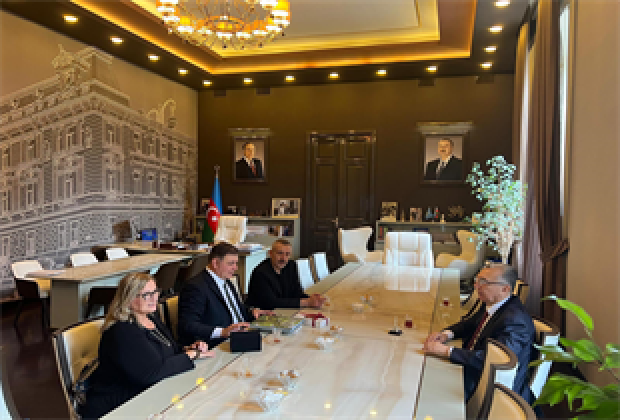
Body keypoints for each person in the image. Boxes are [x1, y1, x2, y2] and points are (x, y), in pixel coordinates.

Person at [80, 273, 212, 420]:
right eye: (146, 295)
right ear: (129, 299)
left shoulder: (150, 318)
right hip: (119, 406)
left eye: (155, 292)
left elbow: (170, 349)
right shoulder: (122, 330)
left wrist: (189, 349)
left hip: (150, 396)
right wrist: (190, 356)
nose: (154, 298)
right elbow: (152, 372)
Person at [423, 265, 535, 403]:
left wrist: (447, 351)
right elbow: (471, 324)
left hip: (490, 388)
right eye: (477, 281)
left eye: (483, 282)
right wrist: (447, 334)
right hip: (474, 368)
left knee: (428, 387)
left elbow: (496, 360)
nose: (476, 286)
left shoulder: (516, 321)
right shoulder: (494, 303)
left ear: (505, 289)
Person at [178, 242, 272, 348]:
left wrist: (252, 312)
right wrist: (223, 332)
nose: (235, 268)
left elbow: (234, 310)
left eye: (236, 263)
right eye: (231, 263)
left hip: (243, 335)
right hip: (219, 344)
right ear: (215, 263)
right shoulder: (196, 287)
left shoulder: (226, 281)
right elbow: (188, 325)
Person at [246, 239, 326, 310]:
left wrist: (312, 299)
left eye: (287, 254)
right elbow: (271, 303)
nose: (283, 258)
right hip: (262, 316)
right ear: (270, 253)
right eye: (280, 253)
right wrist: (307, 302)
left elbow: (296, 292)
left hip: (283, 311)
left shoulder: (291, 266)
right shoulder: (260, 273)